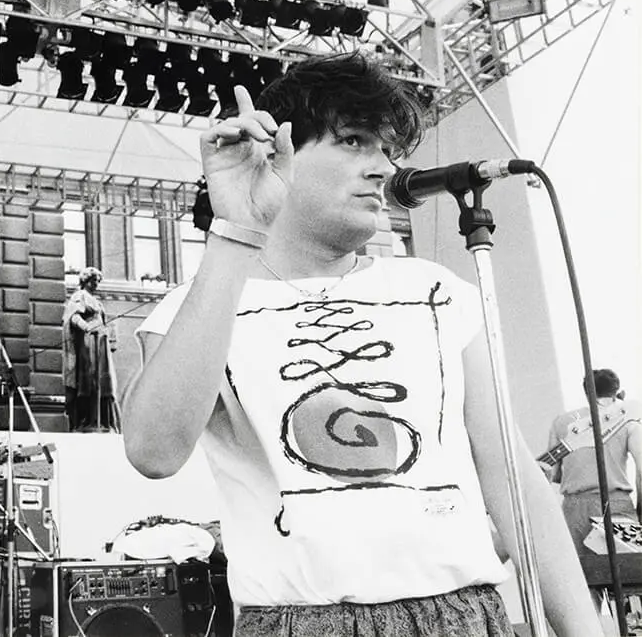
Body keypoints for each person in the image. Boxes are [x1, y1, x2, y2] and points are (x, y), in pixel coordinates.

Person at [119, 52, 600, 636]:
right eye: (353, 141)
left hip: (463, 612)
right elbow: (153, 452)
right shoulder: (201, 305)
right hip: (302, 619)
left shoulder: (435, 291)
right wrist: (236, 232)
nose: (381, 168)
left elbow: (513, 480)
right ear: (278, 151)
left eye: (388, 150)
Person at [544, 368, 642, 554]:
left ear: (587, 392)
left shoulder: (561, 422)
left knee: (585, 578)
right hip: (616, 504)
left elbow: (553, 473)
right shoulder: (629, 420)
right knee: (630, 574)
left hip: (574, 508)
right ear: (615, 392)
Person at [62, 267, 118, 432]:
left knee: (103, 379)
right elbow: (73, 317)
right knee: (89, 378)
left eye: (98, 281)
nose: (96, 284)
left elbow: (103, 320)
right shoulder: (79, 296)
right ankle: (88, 419)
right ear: (85, 280)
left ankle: (102, 421)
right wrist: (86, 327)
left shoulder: (97, 302)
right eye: (94, 281)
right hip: (88, 342)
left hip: (100, 341)